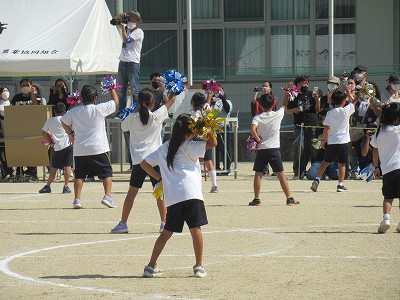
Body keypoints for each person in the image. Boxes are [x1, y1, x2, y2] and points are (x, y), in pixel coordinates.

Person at [140, 113, 217, 278]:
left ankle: (151, 266)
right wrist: (209, 126)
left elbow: (144, 164)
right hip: (192, 193)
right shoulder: (190, 146)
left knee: (167, 232)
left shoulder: (164, 148)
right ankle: (198, 266)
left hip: (173, 196)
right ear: (189, 133)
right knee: (195, 229)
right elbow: (213, 142)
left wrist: (159, 178)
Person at [111, 88, 176, 234]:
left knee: (132, 193)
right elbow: (170, 102)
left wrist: (135, 109)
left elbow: (122, 127)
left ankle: (123, 223)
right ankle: (164, 222)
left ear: (138, 102)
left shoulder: (131, 118)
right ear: (153, 103)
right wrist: (172, 91)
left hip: (139, 161)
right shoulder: (157, 116)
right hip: (155, 159)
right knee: (159, 191)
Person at [61, 85, 119, 209]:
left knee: (79, 175)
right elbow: (115, 102)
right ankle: (107, 196)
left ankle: (77, 199)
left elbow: (63, 121)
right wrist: (111, 88)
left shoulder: (75, 111)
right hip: (98, 147)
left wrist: (70, 134)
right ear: (95, 98)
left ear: (81, 98)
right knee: (107, 172)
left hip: (80, 148)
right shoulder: (99, 109)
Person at [249, 93, 299, 206]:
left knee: (258, 174)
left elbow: (252, 130)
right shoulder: (277, 115)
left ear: (260, 105)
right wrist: (286, 93)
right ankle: (289, 198)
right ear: (273, 104)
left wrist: (258, 140)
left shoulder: (257, 117)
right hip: (274, 149)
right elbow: (285, 105)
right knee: (281, 175)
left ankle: (256, 199)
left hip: (262, 149)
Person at [310, 91, 357, 193]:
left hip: (332, 142)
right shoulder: (346, 111)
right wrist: (349, 93)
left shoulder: (330, 113)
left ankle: (317, 179)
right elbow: (355, 101)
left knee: (325, 162)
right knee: (342, 164)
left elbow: (326, 128)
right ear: (344, 101)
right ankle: (340, 185)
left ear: (332, 100)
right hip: (343, 142)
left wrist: (323, 140)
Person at [370, 102, 400, 233]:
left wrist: (376, 166)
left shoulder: (379, 132)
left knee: (388, 197)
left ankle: (386, 219)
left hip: (387, 169)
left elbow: (375, 150)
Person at [285, 76, 320, 179]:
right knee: (299, 148)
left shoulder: (312, 94)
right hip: (299, 126)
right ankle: (298, 171)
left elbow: (317, 110)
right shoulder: (294, 95)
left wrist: (317, 99)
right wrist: (294, 110)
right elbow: (287, 110)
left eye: (306, 83)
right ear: (297, 85)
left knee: (314, 148)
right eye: (302, 83)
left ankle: (314, 171)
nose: (304, 85)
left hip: (312, 124)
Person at [38, 102, 72, 194]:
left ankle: (48, 185)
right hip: (68, 144)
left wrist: (49, 143)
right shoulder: (66, 119)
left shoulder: (50, 120)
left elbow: (43, 133)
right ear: (64, 111)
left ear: (54, 111)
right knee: (67, 166)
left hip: (57, 146)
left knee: (54, 167)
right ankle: (66, 186)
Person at [115, 10, 144, 114]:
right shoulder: (127, 29)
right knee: (121, 90)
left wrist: (123, 28)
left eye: (133, 18)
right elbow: (113, 21)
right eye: (130, 17)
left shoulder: (139, 32)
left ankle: (138, 110)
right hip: (122, 62)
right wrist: (120, 16)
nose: (131, 20)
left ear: (137, 21)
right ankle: (121, 111)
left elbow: (126, 40)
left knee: (134, 90)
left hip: (133, 63)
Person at [11, 79, 38, 180]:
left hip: (32, 128)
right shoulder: (16, 97)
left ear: (31, 85)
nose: (25, 87)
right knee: (20, 149)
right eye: (23, 85)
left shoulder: (36, 96)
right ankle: (19, 171)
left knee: (31, 150)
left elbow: (36, 106)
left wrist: (32, 94)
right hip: (19, 128)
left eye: (27, 85)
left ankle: (32, 171)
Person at [190, 92, 218, 192]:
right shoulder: (206, 109)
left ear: (193, 102)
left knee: (194, 160)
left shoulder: (192, 113)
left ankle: (196, 185)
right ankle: (214, 184)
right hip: (207, 137)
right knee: (208, 161)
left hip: (196, 138)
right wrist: (209, 97)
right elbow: (207, 104)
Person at [209, 85, 232, 174]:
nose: (217, 92)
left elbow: (227, 110)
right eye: (216, 90)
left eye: (220, 90)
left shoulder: (227, 101)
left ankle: (227, 168)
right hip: (213, 128)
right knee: (215, 148)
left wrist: (222, 98)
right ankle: (217, 167)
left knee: (224, 147)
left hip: (223, 127)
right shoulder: (212, 103)